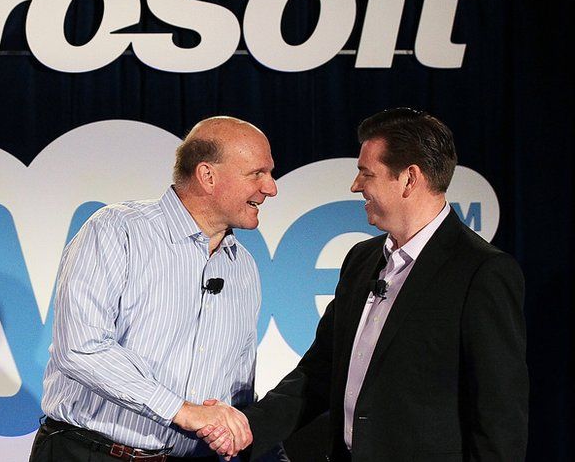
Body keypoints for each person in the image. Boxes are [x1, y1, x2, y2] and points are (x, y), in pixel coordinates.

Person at [199, 108, 528, 461]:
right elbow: (318, 374)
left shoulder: (482, 272)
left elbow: (500, 417)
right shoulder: (361, 260)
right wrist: (248, 430)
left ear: (409, 179)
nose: (356, 186)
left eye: (366, 173)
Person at [29, 117, 278, 461]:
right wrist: (181, 410)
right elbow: (81, 349)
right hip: (90, 453)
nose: (271, 188)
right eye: (257, 173)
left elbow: (237, 389)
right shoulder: (118, 231)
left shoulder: (243, 266)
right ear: (208, 176)